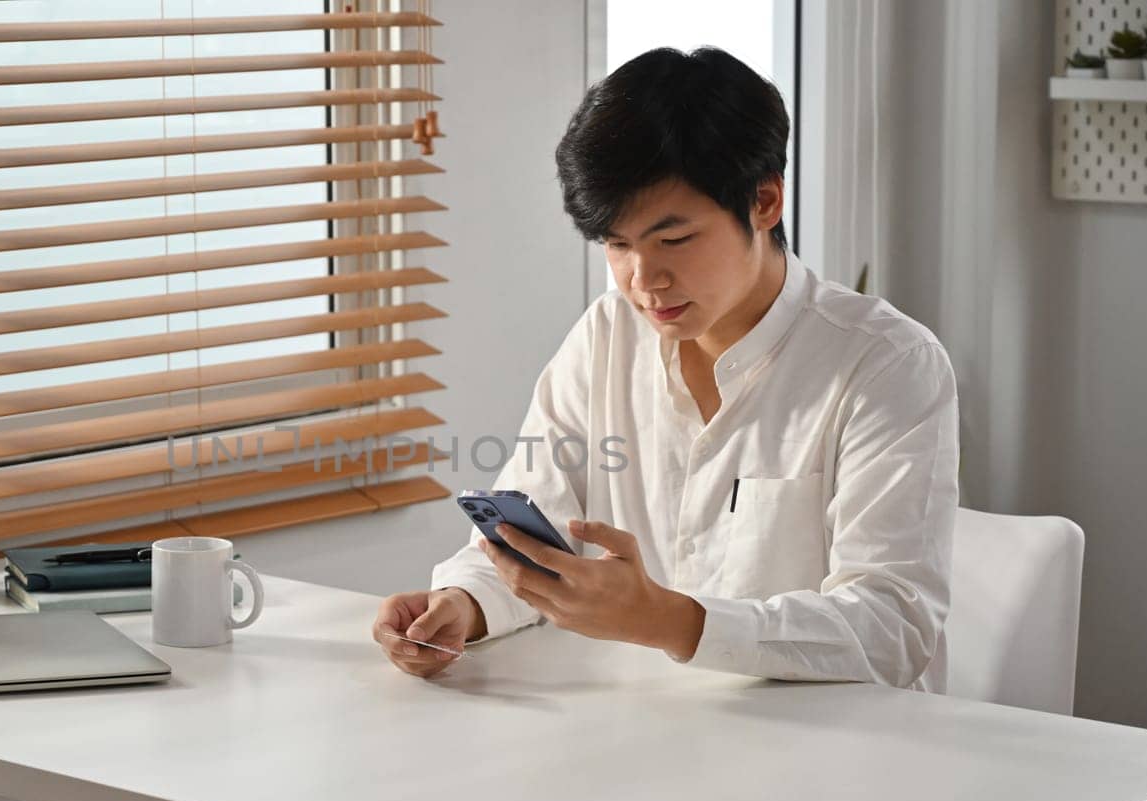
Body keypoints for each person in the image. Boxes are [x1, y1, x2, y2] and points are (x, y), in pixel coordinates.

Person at [371, 46, 960, 691]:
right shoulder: (606, 336)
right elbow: (536, 529)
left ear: (764, 202)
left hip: (842, 753)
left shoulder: (887, 364)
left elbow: (891, 628)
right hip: (654, 737)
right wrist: (463, 605)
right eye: (618, 246)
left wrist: (672, 622)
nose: (644, 281)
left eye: (673, 240)